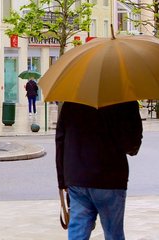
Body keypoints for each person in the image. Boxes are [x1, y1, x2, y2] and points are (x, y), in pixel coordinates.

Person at [56, 100, 143, 240]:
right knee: (114, 234)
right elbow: (132, 145)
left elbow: (60, 140)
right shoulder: (125, 99)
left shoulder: (72, 100)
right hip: (110, 177)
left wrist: (62, 181)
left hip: (77, 177)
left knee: (77, 234)